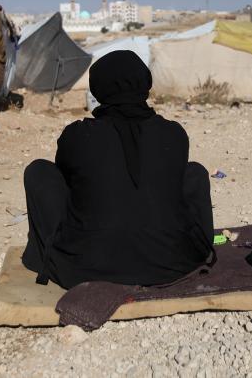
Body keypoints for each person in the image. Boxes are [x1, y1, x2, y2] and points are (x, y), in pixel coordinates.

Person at [21, 50, 214, 289]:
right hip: (171, 264)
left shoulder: (78, 135)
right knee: (195, 173)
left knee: (39, 171)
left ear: (98, 89)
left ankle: (48, 257)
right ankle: (200, 249)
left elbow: (68, 180)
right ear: (145, 83)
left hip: (86, 267)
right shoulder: (173, 134)